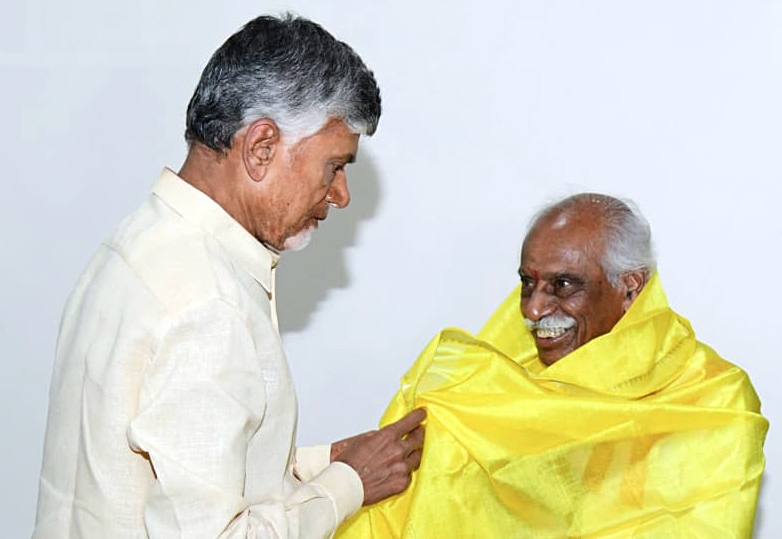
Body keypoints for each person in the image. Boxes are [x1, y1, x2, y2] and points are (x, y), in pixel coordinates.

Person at [33, 14, 425, 539]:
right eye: (335, 165)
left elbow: (163, 469)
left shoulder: (140, 243)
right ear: (261, 147)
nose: (341, 194)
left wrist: (318, 465)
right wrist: (346, 485)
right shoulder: (209, 301)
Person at [335, 193, 768, 538]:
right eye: (528, 283)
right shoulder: (472, 385)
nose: (535, 309)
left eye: (563, 285)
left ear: (630, 286)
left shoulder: (713, 399)